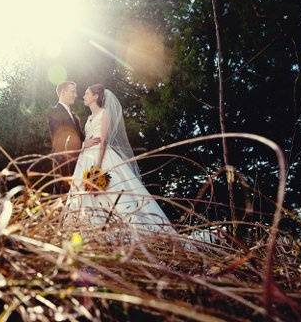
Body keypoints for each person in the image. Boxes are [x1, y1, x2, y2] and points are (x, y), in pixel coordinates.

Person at [65, 84, 195, 249]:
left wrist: (97, 168)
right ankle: (91, 240)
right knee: (85, 197)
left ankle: (130, 238)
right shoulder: (88, 119)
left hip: (100, 159)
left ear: (96, 96)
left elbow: (103, 141)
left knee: (112, 195)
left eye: (86, 93)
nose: (83, 96)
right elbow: (89, 140)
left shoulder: (104, 114)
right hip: (85, 160)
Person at [47, 81, 99, 193]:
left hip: (79, 164)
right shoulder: (54, 112)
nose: (75, 95)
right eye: (72, 92)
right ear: (63, 92)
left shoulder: (74, 116)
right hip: (63, 166)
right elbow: (60, 140)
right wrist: (84, 144)